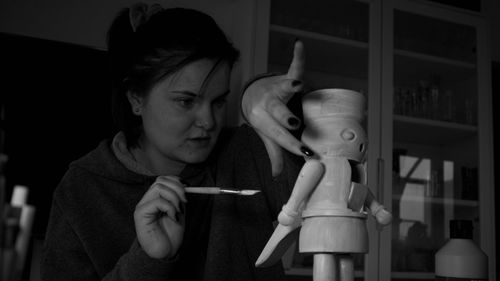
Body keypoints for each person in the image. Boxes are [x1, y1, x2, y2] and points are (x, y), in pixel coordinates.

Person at [40, 3, 314, 281]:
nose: (208, 121)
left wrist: (266, 95)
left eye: (218, 101)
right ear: (136, 98)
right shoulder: (81, 190)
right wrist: (148, 260)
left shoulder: (246, 152)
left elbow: (340, 174)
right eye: (186, 101)